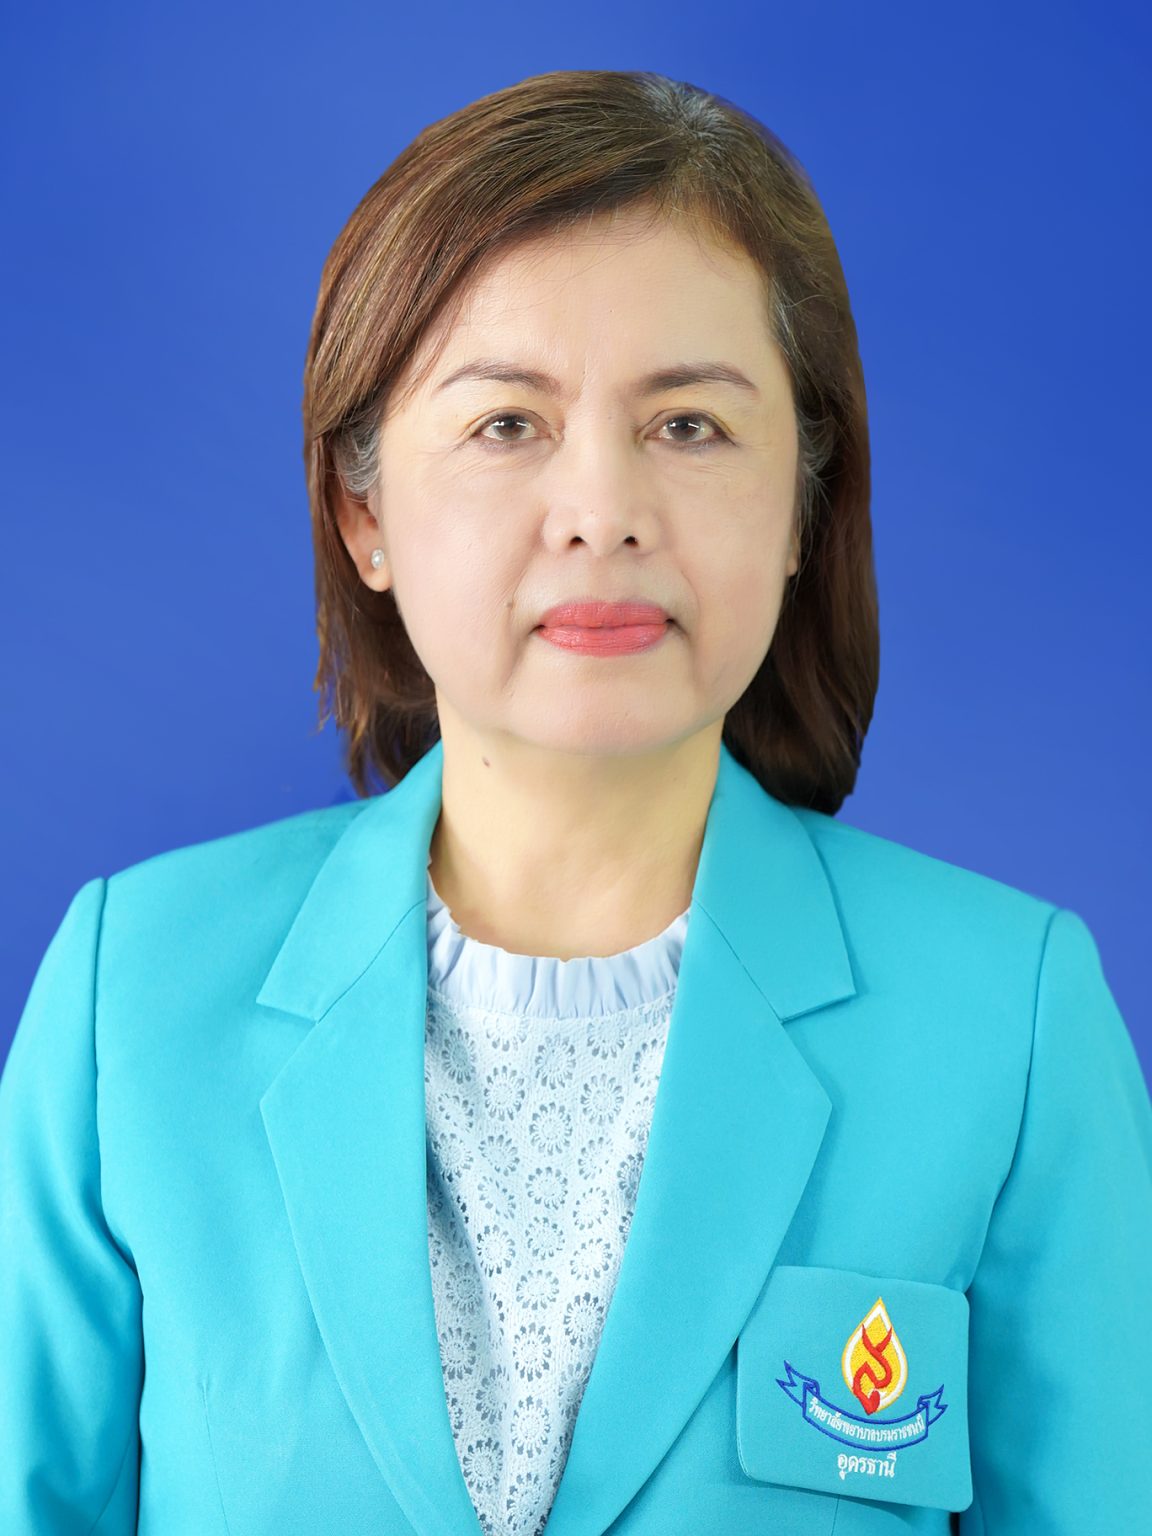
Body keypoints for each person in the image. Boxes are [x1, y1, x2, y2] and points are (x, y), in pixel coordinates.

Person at [2, 67, 1149, 1536]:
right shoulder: (133, 1001)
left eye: (689, 426)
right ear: (363, 510)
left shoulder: (1011, 1025)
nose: (602, 512)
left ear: (804, 501)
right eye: (507, 424)